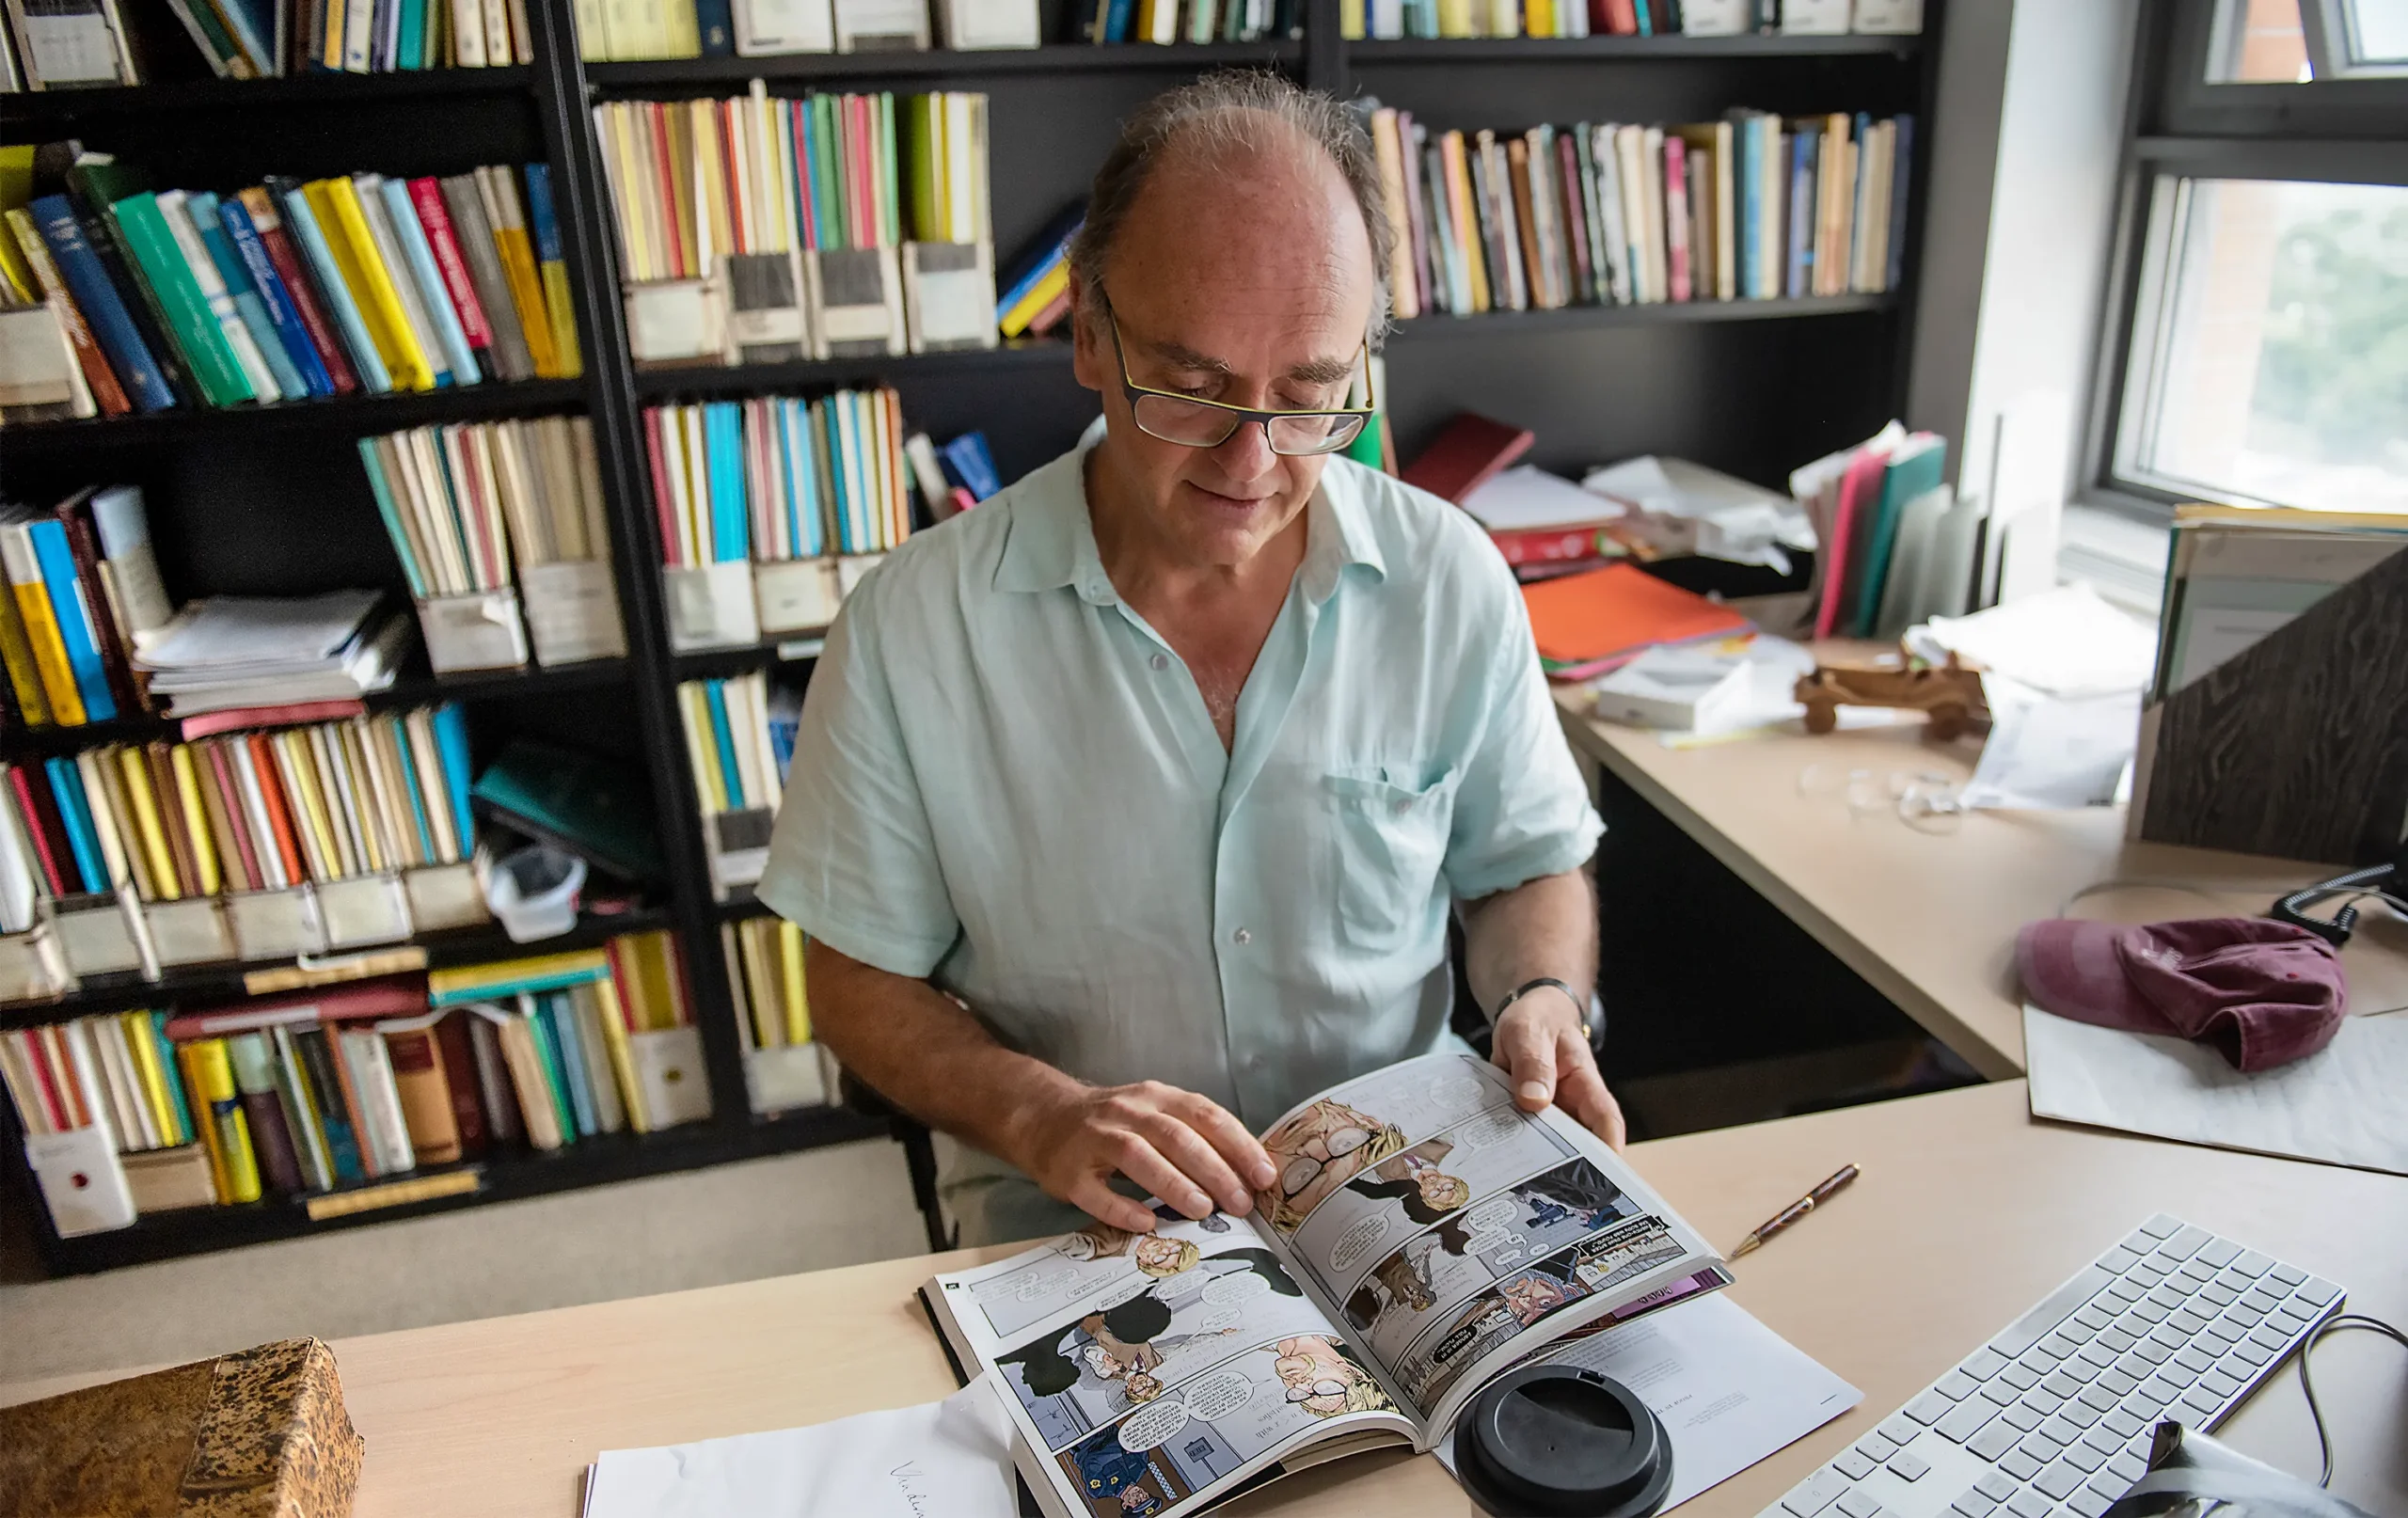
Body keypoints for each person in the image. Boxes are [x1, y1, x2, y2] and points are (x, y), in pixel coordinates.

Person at [757, 70, 1618, 1248]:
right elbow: (858, 980)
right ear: (1089, 334)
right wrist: (1040, 1112)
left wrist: (1541, 998)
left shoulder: (1449, 577)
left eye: (1312, 395)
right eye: (1193, 387)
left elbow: (1526, 868)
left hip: (1398, 1195)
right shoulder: (915, 626)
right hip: (1072, 1210)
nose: (1252, 459)